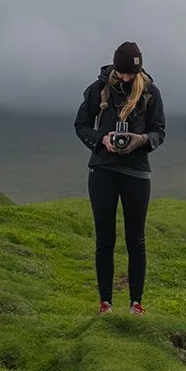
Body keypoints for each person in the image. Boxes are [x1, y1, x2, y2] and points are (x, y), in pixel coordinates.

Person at [74, 40, 166, 313]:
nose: (126, 78)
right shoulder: (97, 89)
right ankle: (105, 303)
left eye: (131, 73)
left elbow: (159, 131)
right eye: (123, 72)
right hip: (102, 170)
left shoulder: (150, 93)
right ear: (115, 66)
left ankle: (136, 304)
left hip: (137, 172)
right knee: (105, 239)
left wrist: (140, 140)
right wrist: (102, 139)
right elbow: (80, 125)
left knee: (135, 239)